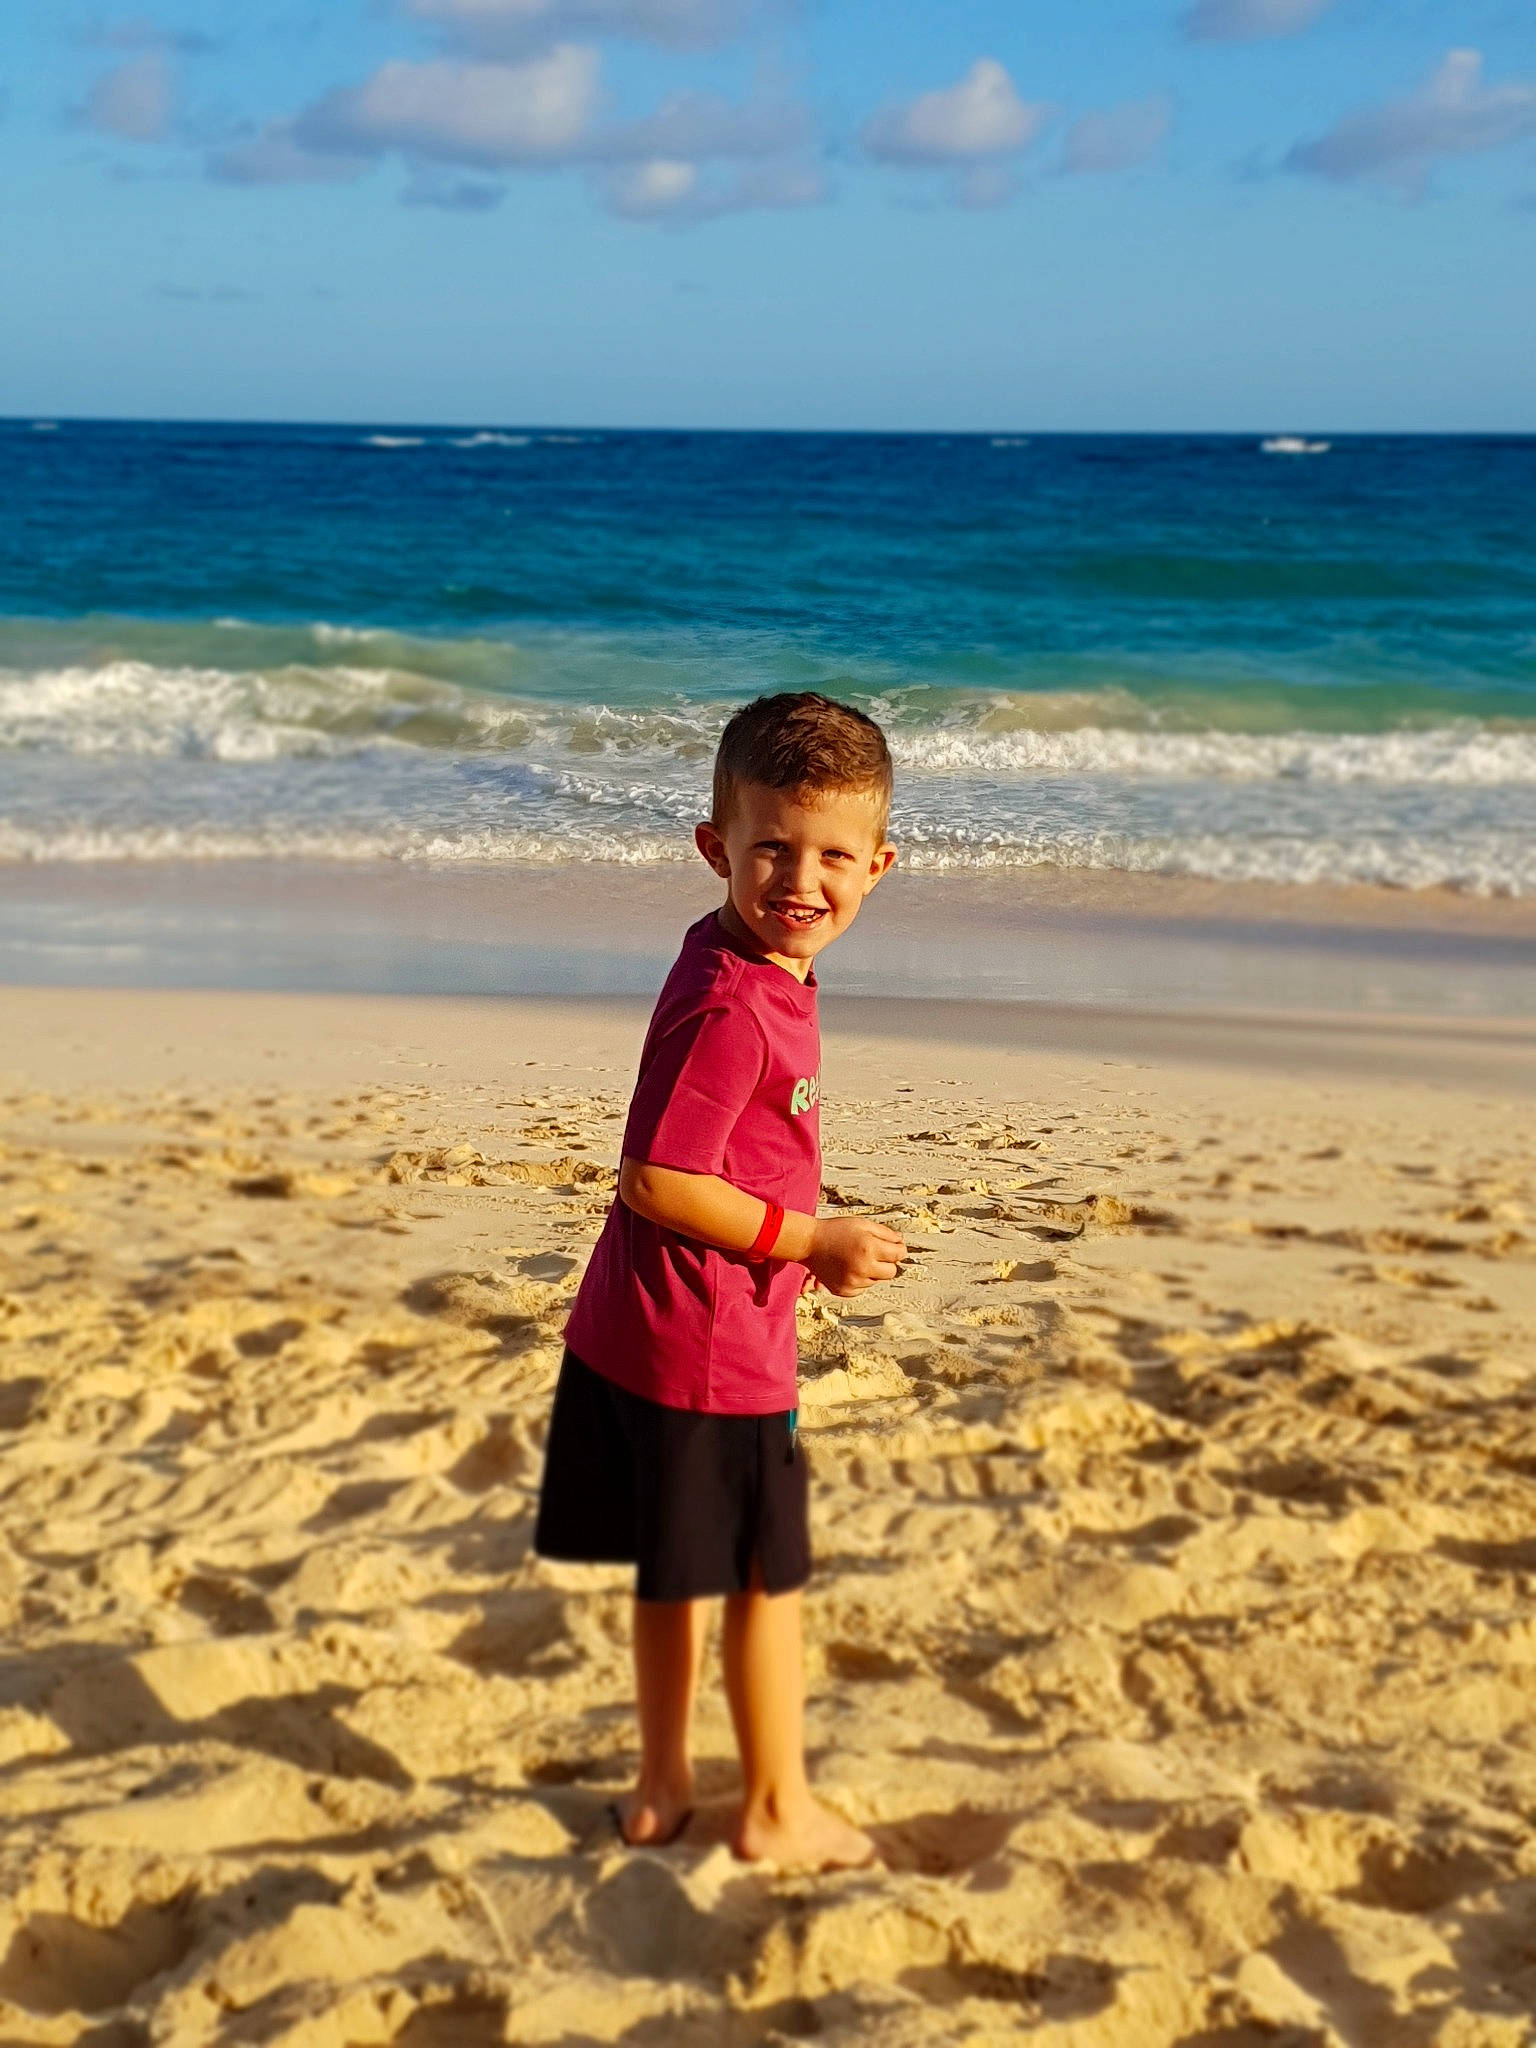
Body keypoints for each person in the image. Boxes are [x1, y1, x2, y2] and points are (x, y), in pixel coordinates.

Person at [534, 691, 906, 1870]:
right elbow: (656, 1177)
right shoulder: (738, 1001)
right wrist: (813, 1239)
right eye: (772, 849)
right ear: (718, 848)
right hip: (709, 1345)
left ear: (880, 864)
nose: (803, 879)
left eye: (834, 854)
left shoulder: (732, 954)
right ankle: (774, 1806)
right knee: (762, 1580)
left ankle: (659, 1784)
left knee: (674, 1566)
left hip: (640, 1325)